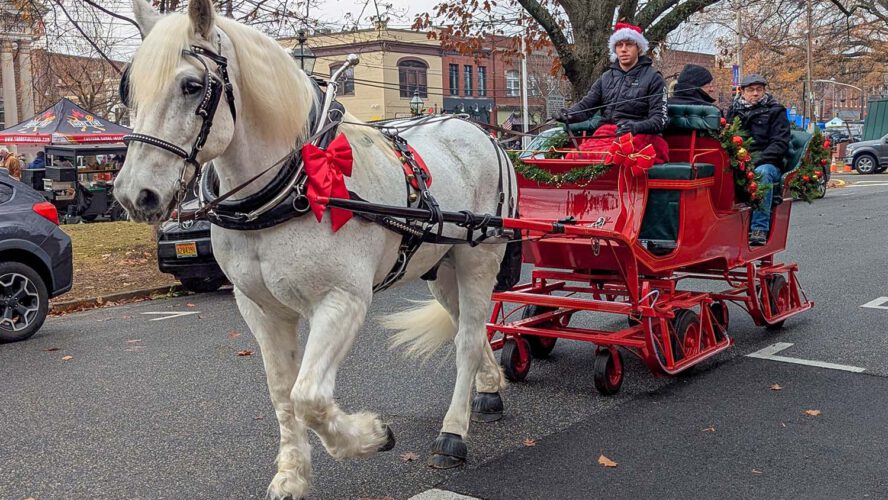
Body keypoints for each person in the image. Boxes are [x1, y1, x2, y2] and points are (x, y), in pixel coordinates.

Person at [553, 22, 669, 164]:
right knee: (574, 157)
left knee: (612, 156)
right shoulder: (606, 77)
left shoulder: (653, 77)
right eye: (619, 45)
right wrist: (568, 114)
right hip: (606, 133)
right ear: (615, 49)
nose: (624, 49)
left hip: (641, 134)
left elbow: (659, 120)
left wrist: (635, 126)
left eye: (629, 45)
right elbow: (586, 106)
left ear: (638, 48)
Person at [726, 74, 791, 246]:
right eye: (751, 90)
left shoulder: (776, 111)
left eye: (759, 90)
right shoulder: (734, 110)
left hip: (767, 162)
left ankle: (759, 228)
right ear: (742, 92)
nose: (755, 94)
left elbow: (780, 142)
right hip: (739, 160)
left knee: (762, 174)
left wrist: (757, 161)